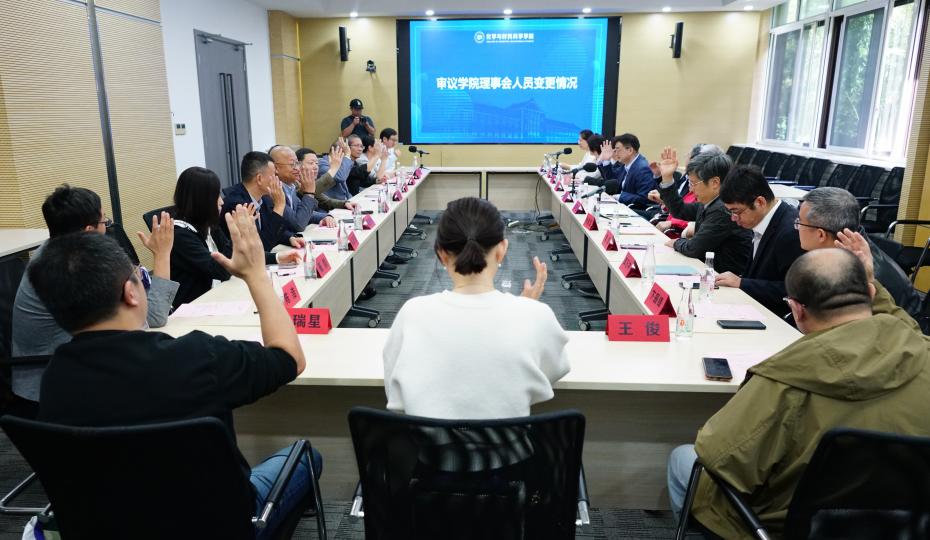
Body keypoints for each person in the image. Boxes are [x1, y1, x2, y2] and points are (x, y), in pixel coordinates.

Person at [30, 207, 322, 539]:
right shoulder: (197, 357)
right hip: (214, 524)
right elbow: (289, 358)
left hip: (107, 524)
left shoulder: (54, 379)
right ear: (130, 292)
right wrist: (256, 275)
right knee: (307, 457)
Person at [667, 237, 930, 538]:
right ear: (871, 293)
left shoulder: (785, 378)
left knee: (684, 459)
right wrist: (869, 279)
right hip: (907, 523)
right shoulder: (920, 348)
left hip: (791, 526)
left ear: (796, 310)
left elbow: (718, 457)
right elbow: (904, 324)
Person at [383, 197, 570, 419]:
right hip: (508, 443)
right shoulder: (536, 316)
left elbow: (394, 391)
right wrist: (525, 311)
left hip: (427, 443)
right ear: (502, 249)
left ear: (441, 254)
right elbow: (551, 372)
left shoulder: (412, 314)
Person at [10, 185, 178, 413]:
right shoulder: (77, 270)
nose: (107, 227)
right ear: (89, 231)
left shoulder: (52, 257)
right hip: (55, 392)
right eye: (105, 222)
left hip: (69, 373)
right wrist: (162, 254)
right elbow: (154, 317)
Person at [170, 167, 301, 308]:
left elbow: (238, 255)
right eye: (216, 196)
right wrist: (237, 233)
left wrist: (278, 257)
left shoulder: (208, 226)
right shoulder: (180, 235)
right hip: (194, 308)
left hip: (218, 297)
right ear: (201, 200)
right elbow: (221, 271)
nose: (221, 201)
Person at [797, 187, 921, 319]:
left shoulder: (859, 274)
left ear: (821, 235)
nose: (797, 226)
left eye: (800, 222)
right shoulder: (842, 250)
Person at [715, 165, 805, 318]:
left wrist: (742, 283)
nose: (733, 218)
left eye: (737, 211)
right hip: (753, 309)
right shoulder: (762, 220)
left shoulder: (790, 233)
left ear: (760, 202)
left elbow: (793, 292)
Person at [655, 148, 752, 274]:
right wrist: (667, 178)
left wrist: (676, 242)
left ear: (715, 183)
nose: (691, 189)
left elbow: (694, 248)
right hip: (707, 270)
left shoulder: (723, 208)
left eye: (693, 183)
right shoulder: (711, 200)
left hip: (722, 276)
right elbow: (680, 210)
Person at [221, 151, 304, 252]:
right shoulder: (237, 205)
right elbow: (262, 247)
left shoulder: (263, 198)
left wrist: (289, 238)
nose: (278, 179)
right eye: (274, 175)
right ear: (259, 178)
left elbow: (268, 227)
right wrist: (279, 206)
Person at [268, 145, 334, 230]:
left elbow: (302, 211)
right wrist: (309, 193)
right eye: (292, 164)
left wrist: (326, 216)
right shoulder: (273, 190)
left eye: (297, 163)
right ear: (276, 168)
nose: (297, 168)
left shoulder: (290, 186)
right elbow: (298, 224)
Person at [595, 133, 654, 207]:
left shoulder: (643, 169)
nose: (615, 153)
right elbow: (612, 180)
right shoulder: (626, 164)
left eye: (618, 149)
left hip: (634, 209)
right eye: (614, 150)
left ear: (630, 150)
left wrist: (619, 197)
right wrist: (606, 161)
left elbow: (643, 198)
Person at [295, 146, 356, 213]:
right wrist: (333, 169)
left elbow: (326, 202)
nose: (316, 167)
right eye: (311, 163)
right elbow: (308, 192)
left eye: (317, 163)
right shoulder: (293, 183)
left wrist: (345, 203)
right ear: (298, 165)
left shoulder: (308, 182)